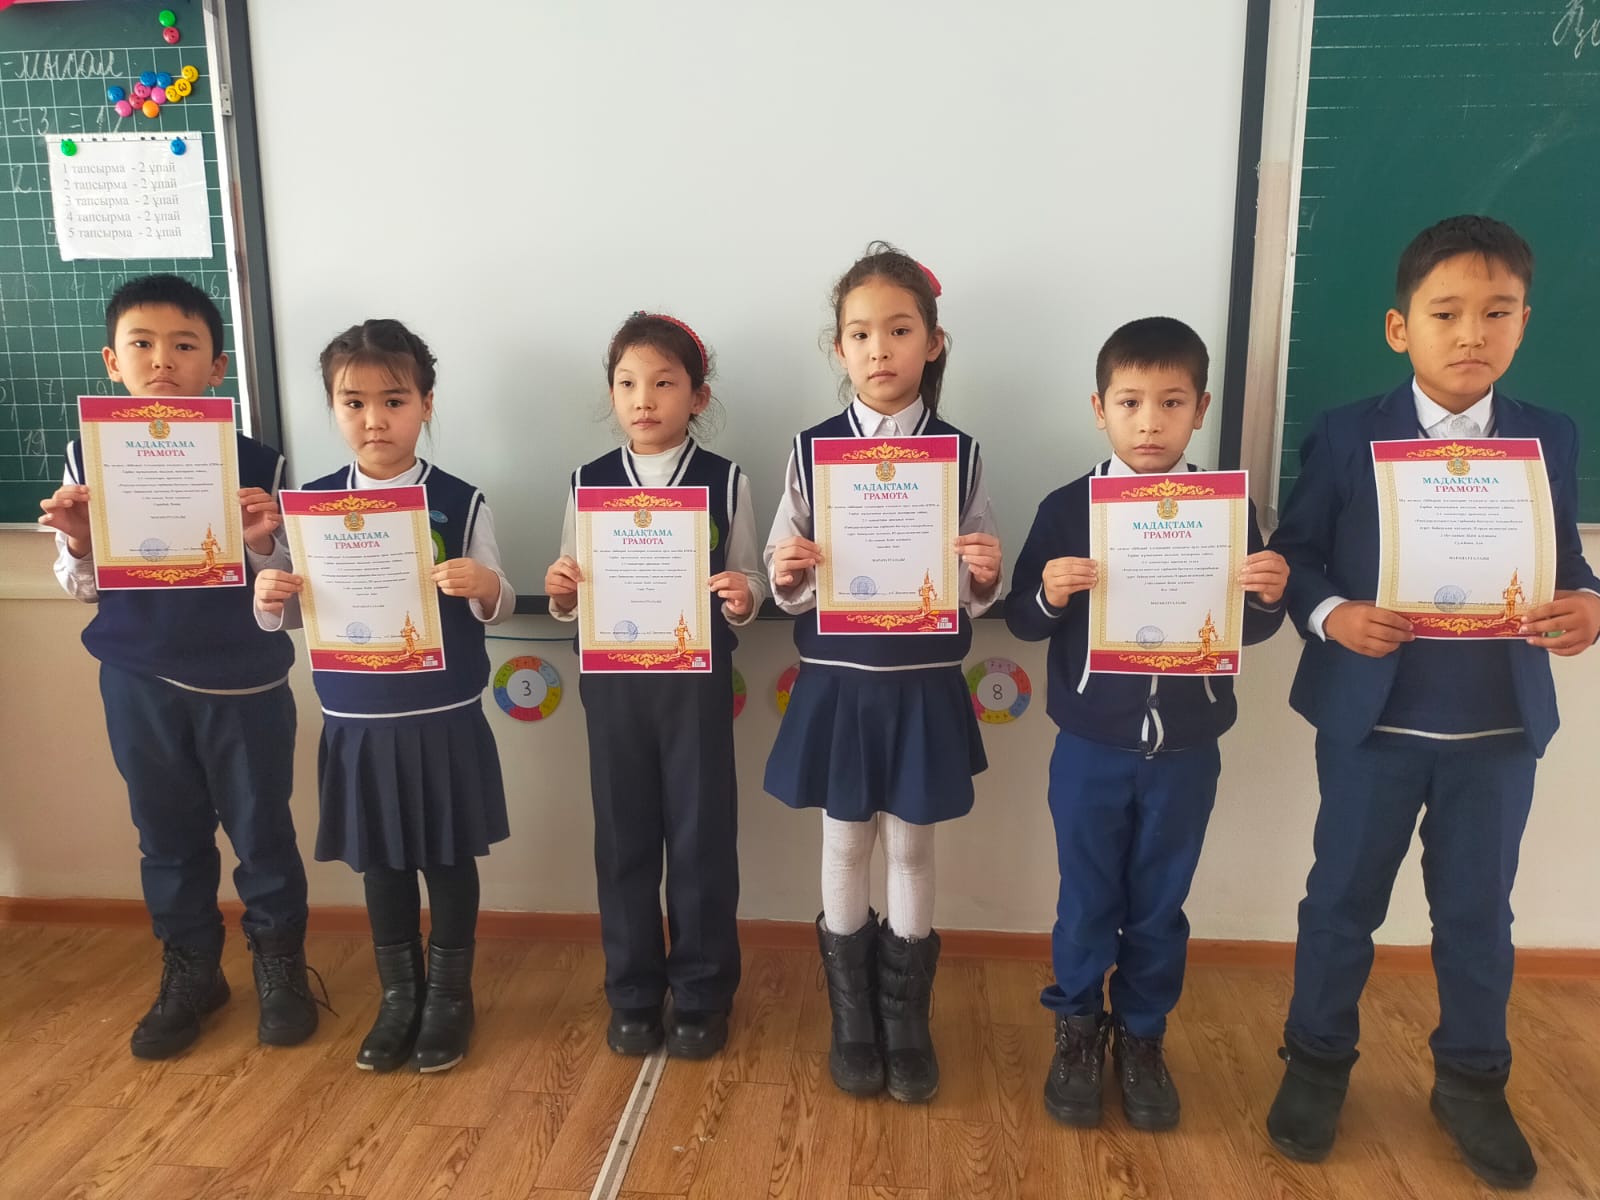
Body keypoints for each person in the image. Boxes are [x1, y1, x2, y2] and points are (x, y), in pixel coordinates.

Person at [1265, 216, 1600, 1190]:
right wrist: (1331, 616)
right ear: (1398, 327)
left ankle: (1472, 1082)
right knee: (1341, 901)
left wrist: (1588, 605)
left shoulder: (1548, 435)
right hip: (1371, 724)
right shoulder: (1346, 432)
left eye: (1496, 313)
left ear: (1524, 323)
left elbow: (1566, 564)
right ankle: (1316, 1063)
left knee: (1476, 915)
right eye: (1445, 313)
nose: (1470, 334)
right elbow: (1295, 558)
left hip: (1496, 727)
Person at [1004, 316, 1287, 1130]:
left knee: (1161, 903)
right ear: (1100, 409)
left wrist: (1270, 595)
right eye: (1130, 402)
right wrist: (1050, 592)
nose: (1150, 421)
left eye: (1171, 402)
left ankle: (1142, 1035)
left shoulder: (1227, 510)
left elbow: (1250, 628)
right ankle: (1076, 1028)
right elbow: (1021, 618)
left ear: (1201, 408)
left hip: (1188, 751)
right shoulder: (1069, 507)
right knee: (1087, 897)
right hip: (1090, 747)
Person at [38, 274, 318, 1060]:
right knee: (166, 832)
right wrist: (80, 539)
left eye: (185, 345)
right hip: (138, 678)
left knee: (262, 831)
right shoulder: (87, 458)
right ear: (112, 360)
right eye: (142, 344)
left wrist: (263, 542)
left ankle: (279, 966)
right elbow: (84, 587)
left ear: (217, 366)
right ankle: (192, 970)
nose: (163, 360)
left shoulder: (264, 462)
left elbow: (292, 589)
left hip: (244, 681)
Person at [764, 243, 1002, 1103]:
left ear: (932, 343)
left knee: (910, 844)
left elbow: (979, 576)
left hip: (921, 682)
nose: (879, 349)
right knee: (844, 840)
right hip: (840, 682)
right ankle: (853, 1020)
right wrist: (788, 569)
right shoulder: (810, 451)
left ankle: (906, 1022)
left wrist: (984, 573)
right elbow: (781, 571)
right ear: (839, 348)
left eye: (899, 331)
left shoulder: (961, 453)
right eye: (860, 334)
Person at [254, 319, 514, 1073]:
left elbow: (498, 603)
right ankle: (400, 996)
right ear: (334, 409)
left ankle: (450, 997)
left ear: (426, 405)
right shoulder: (310, 506)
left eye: (394, 400)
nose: (375, 419)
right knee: (383, 867)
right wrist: (267, 590)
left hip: (442, 718)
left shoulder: (460, 500)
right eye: (354, 402)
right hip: (357, 721)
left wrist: (484, 584)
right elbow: (290, 613)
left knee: (449, 861)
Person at [545, 312, 767, 1060]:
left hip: (694, 682)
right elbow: (569, 588)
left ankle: (702, 993)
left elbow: (749, 577)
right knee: (623, 837)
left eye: (664, 383)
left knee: (702, 837)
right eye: (627, 384)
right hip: (613, 684)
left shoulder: (726, 479)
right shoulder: (588, 481)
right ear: (612, 394)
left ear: (697, 397)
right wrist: (562, 590)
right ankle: (633, 992)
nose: (644, 399)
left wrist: (742, 594)